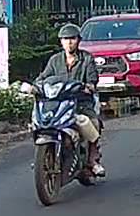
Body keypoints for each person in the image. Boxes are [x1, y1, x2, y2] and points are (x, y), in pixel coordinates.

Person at [38, 23, 105, 178]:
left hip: (80, 103)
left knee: (93, 123)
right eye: (65, 39)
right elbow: (43, 78)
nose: (69, 42)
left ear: (78, 40)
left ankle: (92, 160)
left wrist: (88, 87)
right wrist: (35, 87)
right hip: (58, 104)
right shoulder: (55, 60)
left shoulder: (87, 59)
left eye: (72, 39)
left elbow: (92, 81)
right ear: (61, 42)